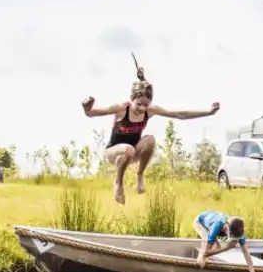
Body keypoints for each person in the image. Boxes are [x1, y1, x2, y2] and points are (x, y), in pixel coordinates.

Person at [82, 67, 220, 204]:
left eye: (146, 105)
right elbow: (91, 113)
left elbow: (180, 114)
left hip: (133, 151)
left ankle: (139, 175)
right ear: (132, 99)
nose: (142, 108)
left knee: (150, 140)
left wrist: (208, 112)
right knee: (128, 149)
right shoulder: (122, 109)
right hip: (114, 152)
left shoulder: (150, 110)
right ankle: (118, 183)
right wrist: (87, 107)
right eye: (139, 104)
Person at [194, 209, 261, 272]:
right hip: (200, 222)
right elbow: (206, 251)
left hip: (216, 223)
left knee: (216, 248)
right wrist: (227, 247)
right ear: (226, 228)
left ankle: (206, 259)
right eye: (232, 237)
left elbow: (246, 253)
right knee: (205, 253)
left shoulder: (238, 230)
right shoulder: (216, 226)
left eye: (236, 238)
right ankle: (201, 259)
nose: (234, 240)